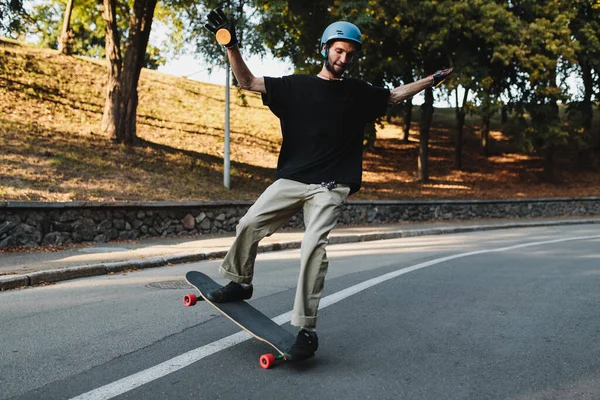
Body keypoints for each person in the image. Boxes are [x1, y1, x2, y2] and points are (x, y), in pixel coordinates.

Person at [204, 7, 453, 361]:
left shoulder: (357, 93)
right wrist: (231, 47)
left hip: (331, 185)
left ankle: (306, 329)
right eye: (338, 50)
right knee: (249, 223)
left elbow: (395, 96)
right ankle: (240, 281)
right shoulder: (295, 86)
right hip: (293, 178)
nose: (344, 58)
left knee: (312, 247)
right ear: (324, 49)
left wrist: (431, 80)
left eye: (350, 53)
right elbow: (247, 82)